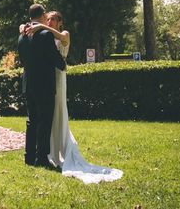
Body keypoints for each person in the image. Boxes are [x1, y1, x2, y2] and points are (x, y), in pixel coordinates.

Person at [22, 11, 123, 183]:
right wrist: (31, 27)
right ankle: (47, 151)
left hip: (58, 76)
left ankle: (60, 147)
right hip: (45, 75)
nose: (50, 21)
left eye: (53, 19)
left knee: (57, 111)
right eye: (47, 19)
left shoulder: (63, 34)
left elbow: (61, 39)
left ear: (60, 22)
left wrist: (40, 26)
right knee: (46, 117)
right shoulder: (43, 34)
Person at [18, 4, 66, 168]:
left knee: (32, 121)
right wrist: (63, 64)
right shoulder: (45, 35)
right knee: (45, 122)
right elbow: (55, 59)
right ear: (43, 15)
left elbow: (24, 59)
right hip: (44, 84)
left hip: (28, 83)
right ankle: (42, 158)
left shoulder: (22, 35)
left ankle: (29, 156)